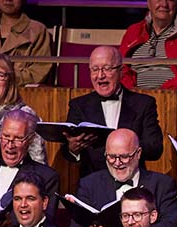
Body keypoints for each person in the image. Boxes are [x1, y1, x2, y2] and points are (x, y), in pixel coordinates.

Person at [71, 129, 177, 227]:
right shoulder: (90, 184)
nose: (117, 163)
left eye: (124, 157)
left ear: (138, 153)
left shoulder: (162, 184)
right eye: (111, 157)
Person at [63, 46, 164, 176]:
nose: (100, 75)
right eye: (95, 70)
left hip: (134, 185)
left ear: (121, 71)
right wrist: (72, 149)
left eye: (107, 69)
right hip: (94, 185)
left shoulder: (143, 104)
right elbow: (67, 153)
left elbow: (155, 148)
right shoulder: (79, 105)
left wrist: (126, 150)